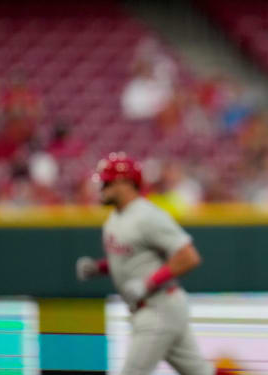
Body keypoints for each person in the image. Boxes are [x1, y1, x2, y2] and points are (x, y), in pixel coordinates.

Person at [76, 152, 227, 375]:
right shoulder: (116, 217)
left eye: (107, 182)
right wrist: (99, 268)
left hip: (158, 307)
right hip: (155, 308)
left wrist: (148, 283)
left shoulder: (147, 215)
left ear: (125, 183)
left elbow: (188, 256)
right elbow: (130, 260)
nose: (102, 187)